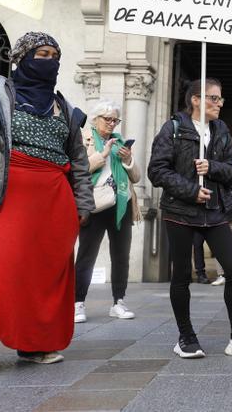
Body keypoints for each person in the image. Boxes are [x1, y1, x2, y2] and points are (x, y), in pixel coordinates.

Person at [0, 32, 93, 374]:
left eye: (54, 55)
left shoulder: (67, 110)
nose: (50, 61)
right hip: (0, 198)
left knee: (42, 278)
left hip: (53, 207)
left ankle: (34, 346)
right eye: (42, 53)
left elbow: (78, 162)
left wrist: (82, 206)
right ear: (22, 58)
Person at [148, 77, 232, 359]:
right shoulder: (174, 128)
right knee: (180, 275)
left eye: (220, 99)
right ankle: (186, 336)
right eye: (213, 98)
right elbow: (156, 171)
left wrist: (211, 167)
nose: (219, 104)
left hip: (215, 212)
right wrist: (192, 191)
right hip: (180, 212)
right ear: (195, 100)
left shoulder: (221, 130)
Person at [74, 100, 142, 323]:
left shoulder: (120, 142)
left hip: (121, 204)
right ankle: (77, 303)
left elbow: (136, 177)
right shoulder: (84, 138)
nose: (112, 123)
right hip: (94, 205)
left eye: (116, 119)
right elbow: (78, 168)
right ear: (96, 119)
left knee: (121, 256)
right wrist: (103, 154)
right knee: (86, 255)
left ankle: (118, 302)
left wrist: (128, 159)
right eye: (108, 119)